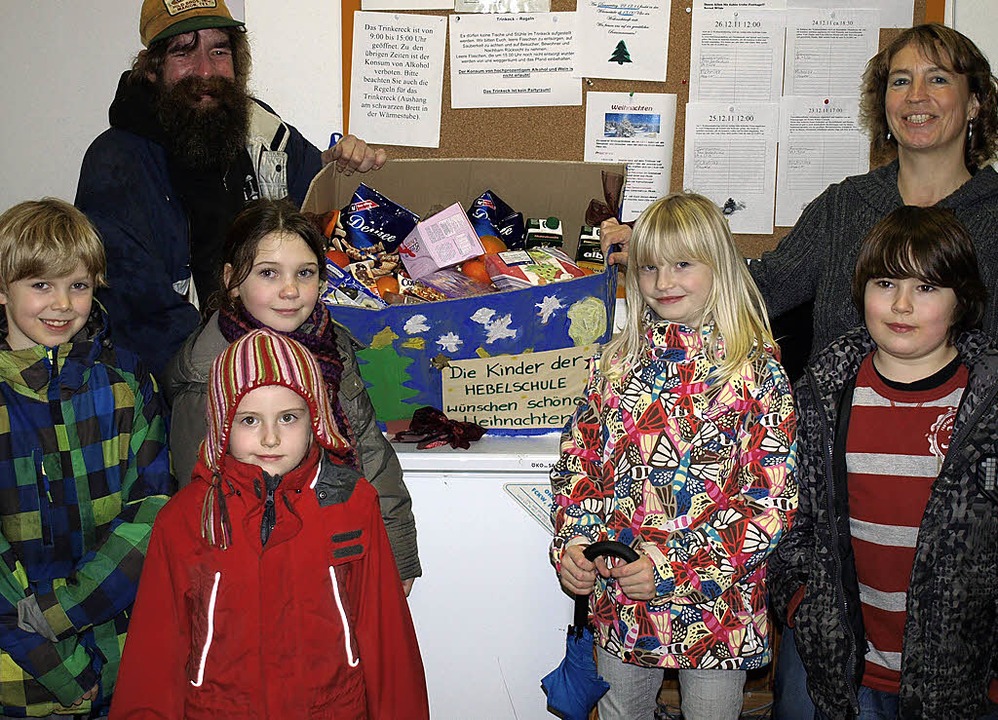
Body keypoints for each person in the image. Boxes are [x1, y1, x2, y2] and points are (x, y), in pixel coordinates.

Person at [601, 24, 998, 364]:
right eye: (900, 81)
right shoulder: (843, 206)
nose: (916, 95)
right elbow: (758, 290)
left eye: (938, 78)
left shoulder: (992, 214)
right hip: (832, 438)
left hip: (960, 442)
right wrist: (664, 254)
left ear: (974, 103)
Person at [550, 192, 798, 720]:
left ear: (719, 267)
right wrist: (574, 545)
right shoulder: (617, 366)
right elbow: (580, 462)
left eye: (683, 264)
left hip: (715, 607)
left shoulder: (756, 376)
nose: (663, 283)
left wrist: (670, 568)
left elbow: (767, 504)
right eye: (648, 267)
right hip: (623, 600)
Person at [109, 329, 429, 719]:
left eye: (289, 418)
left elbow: (386, 637)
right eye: (249, 420)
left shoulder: (352, 504)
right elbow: (154, 650)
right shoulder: (185, 517)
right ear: (223, 425)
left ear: (315, 419)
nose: (271, 438)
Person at [768, 205, 998, 719]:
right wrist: (803, 606)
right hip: (845, 667)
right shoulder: (821, 398)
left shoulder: (987, 405)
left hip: (961, 681)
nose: (900, 305)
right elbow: (788, 518)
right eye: (886, 282)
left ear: (962, 301)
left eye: (926, 288)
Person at [75, 0, 388, 376]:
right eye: (183, 52)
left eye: (219, 50)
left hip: (277, 368)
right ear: (152, 68)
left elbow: (314, 205)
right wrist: (240, 374)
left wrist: (342, 165)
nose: (206, 69)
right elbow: (141, 315)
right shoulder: (115, 164)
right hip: (182, 388)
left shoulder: (258, 125)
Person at [166, 198, 420, 590]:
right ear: (233, 280)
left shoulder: (331, 347)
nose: (290, 290)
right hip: (254, 577)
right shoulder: (209, 374)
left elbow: (370, 452)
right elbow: (199, 504)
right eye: (269, 273)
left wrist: (398, 554)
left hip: (339, 553)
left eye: (305, 273)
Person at [0, 199, 173, 718]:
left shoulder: (128, 382)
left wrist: (64, 612)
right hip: (17, 676)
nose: (61, 304)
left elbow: (152, 509)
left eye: (77, 285)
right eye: (40, 285)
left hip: (121, 655)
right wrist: (52, 658)